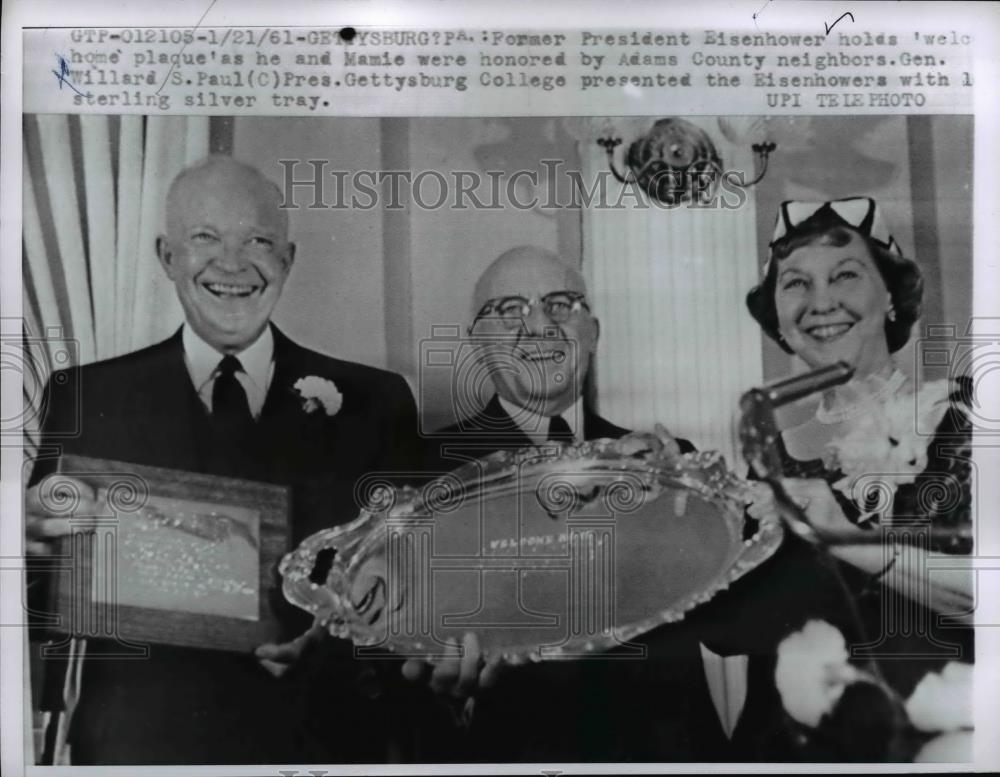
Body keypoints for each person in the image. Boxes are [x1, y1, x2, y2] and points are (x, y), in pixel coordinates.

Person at [25, 155, 421, 764]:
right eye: (205, 238)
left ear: (287, 260)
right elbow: (40, 606)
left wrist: (337, 645)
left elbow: (413, 598)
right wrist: (27, 544)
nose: (233, 264)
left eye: (258, 240)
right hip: (139, 750)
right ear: (167, 256)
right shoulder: (86, 397)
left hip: (320, 743)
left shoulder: (377, 402)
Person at [409, 246, 728, 762]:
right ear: (476, 341)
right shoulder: (423, 473)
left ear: (594, 333)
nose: (538, 326)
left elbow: (725, 619)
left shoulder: (670, 465)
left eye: (561, 304)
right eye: (509, 309)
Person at [690, 197, 974, 761]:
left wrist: (844, 535)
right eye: (795, 283)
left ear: (891, 296)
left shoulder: (964, 416)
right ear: (776, 313)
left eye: (845, 274)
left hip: (926, 741)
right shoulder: (769, 454)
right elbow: (729, 637)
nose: (821, 302)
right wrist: (687, 529)